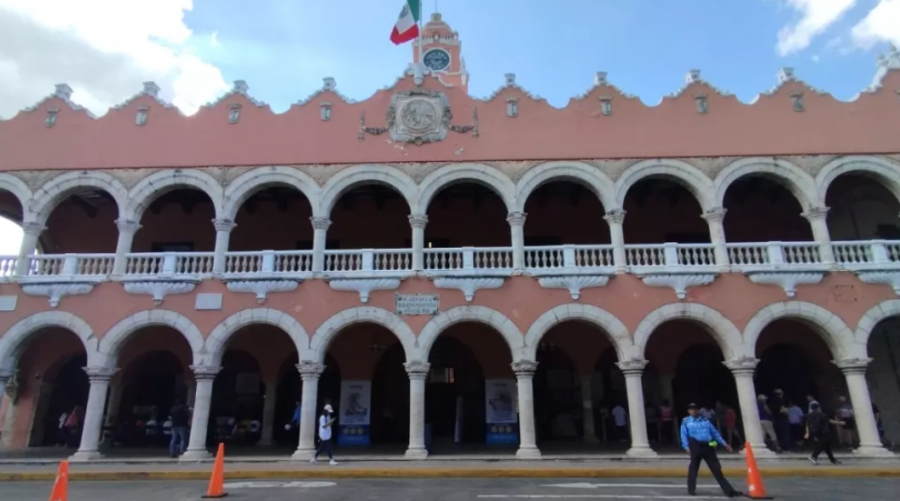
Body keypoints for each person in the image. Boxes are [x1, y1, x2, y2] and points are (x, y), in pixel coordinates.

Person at [680, 403, 743, 498]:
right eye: (690, 409)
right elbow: (683, 435)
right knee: (693, 468)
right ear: (688, 411)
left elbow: (715, 434)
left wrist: (725, 444)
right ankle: (691, 489)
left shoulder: (706, 421)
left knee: (717, 469)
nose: (693, 411)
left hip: (708, 445)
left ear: (698, 410)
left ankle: (729, 491)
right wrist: (686, 447)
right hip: (695, 446)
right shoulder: (686, 421)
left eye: (694, 409)